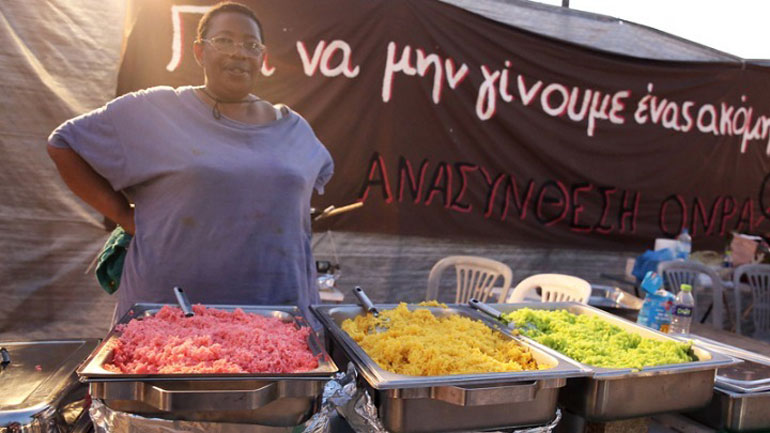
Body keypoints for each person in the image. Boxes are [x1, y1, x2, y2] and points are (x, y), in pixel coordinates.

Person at [47, 2, 334, 325]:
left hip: (279, 312)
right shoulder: (156, 110)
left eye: (250, 45)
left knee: (272, 377)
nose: (239, 52)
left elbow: (311, 183)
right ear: (199, 52)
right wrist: (124, 215)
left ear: (262, 58)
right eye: (224, 40)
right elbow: (63, 144)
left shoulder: (293, 129)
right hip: (171, 313)